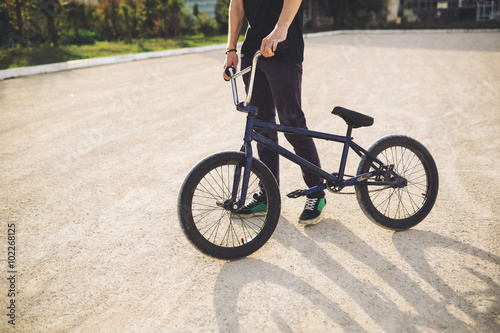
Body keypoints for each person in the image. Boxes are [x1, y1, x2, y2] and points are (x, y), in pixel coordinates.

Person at [222, 0, 326, 225]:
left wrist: (281, 28)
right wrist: (231, 48)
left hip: (283, 48)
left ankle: (316, 192)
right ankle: (267, 195)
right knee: (261, 127)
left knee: (292, 125)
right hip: (253, 54)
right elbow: (237, 4)